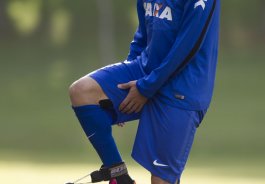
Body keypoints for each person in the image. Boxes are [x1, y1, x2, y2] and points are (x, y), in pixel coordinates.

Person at [69, 0, 220, 183]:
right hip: (144, 72)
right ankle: (118, 176)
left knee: (160, 181)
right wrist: (128, 87)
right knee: (82, 91)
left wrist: (145, 88)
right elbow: (143, 34)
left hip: (182, 87)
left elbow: (187, 48)